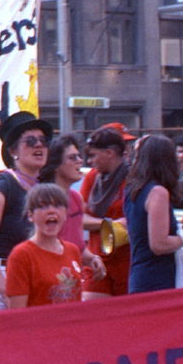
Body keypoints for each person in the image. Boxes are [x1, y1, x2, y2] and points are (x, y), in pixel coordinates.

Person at [0, 112, 53, 310]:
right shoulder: (1, 187)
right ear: (13, 150)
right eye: (30, 141)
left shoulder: (41, 188)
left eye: (43, 140)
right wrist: (5, 289)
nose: (39, 145)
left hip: (29, 277)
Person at [5, 183, 99, 307]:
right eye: (43, 206)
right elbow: (17, 312)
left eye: (58, 206)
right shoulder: (21, 255)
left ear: (66, 214)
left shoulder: (73, 250)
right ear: (30, 215)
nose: (51, 211)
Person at [79, 124, 136, 300]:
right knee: (92, 317)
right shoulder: (92, 177)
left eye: (93, 155)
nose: (89, 161)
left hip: (127, 262)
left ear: (110, 153)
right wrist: (109, 225)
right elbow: (79, 218)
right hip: (97, 259)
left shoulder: (134, 178)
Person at [123, 134, 183, 294]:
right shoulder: (158, 192)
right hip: (158, 279)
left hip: (140, 275)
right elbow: (159, 244)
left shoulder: (133, 190)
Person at [39, 135, 86, 248]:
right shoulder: (43, 200)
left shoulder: (76, 197)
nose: (80, 161)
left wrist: (92, 258)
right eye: (72, 157)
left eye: (79, 156)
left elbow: (79, 246)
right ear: (56, 165)